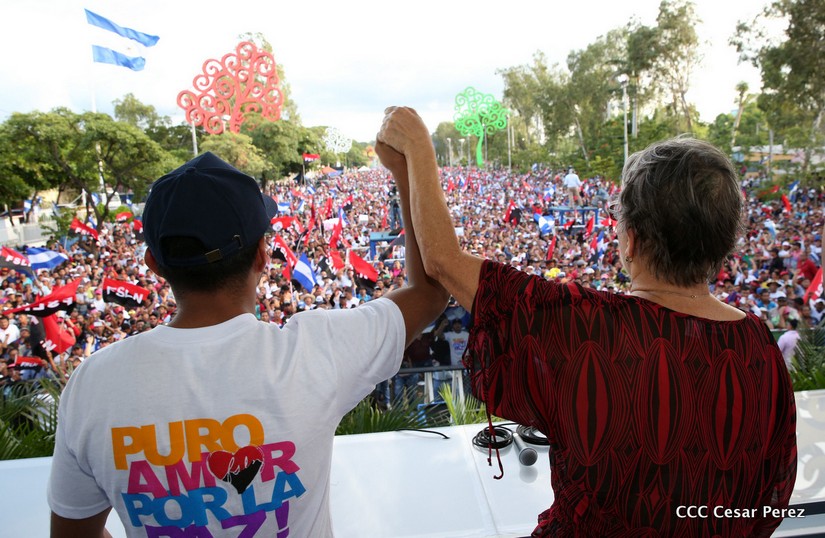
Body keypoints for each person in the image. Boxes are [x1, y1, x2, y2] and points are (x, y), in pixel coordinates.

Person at [377, 107, 797, 537]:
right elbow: (772, 496)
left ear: (631, 241)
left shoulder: (585, 328)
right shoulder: (760, 345)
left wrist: (417, 147)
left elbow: (442, 261)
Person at [48, 151, 448, 537]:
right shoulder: (314, 353)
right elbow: (430, 292)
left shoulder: (93, 384)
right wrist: (405, 169)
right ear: (262, 255)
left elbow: (73, 531)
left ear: (153, 264)